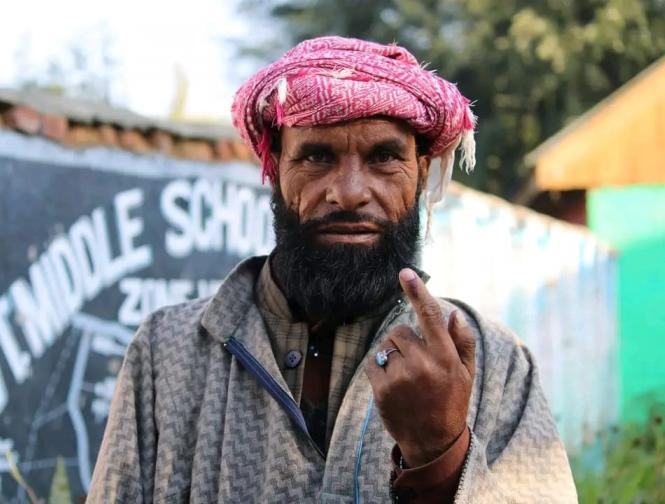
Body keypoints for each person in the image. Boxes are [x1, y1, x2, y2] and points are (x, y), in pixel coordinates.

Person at [88, 36, 576, 503]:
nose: (349, 193)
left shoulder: (496, 364)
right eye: (317, 156)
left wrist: (440, 455)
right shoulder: (167, 354)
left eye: (384, 157)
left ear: (421, 172)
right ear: (275, 167)